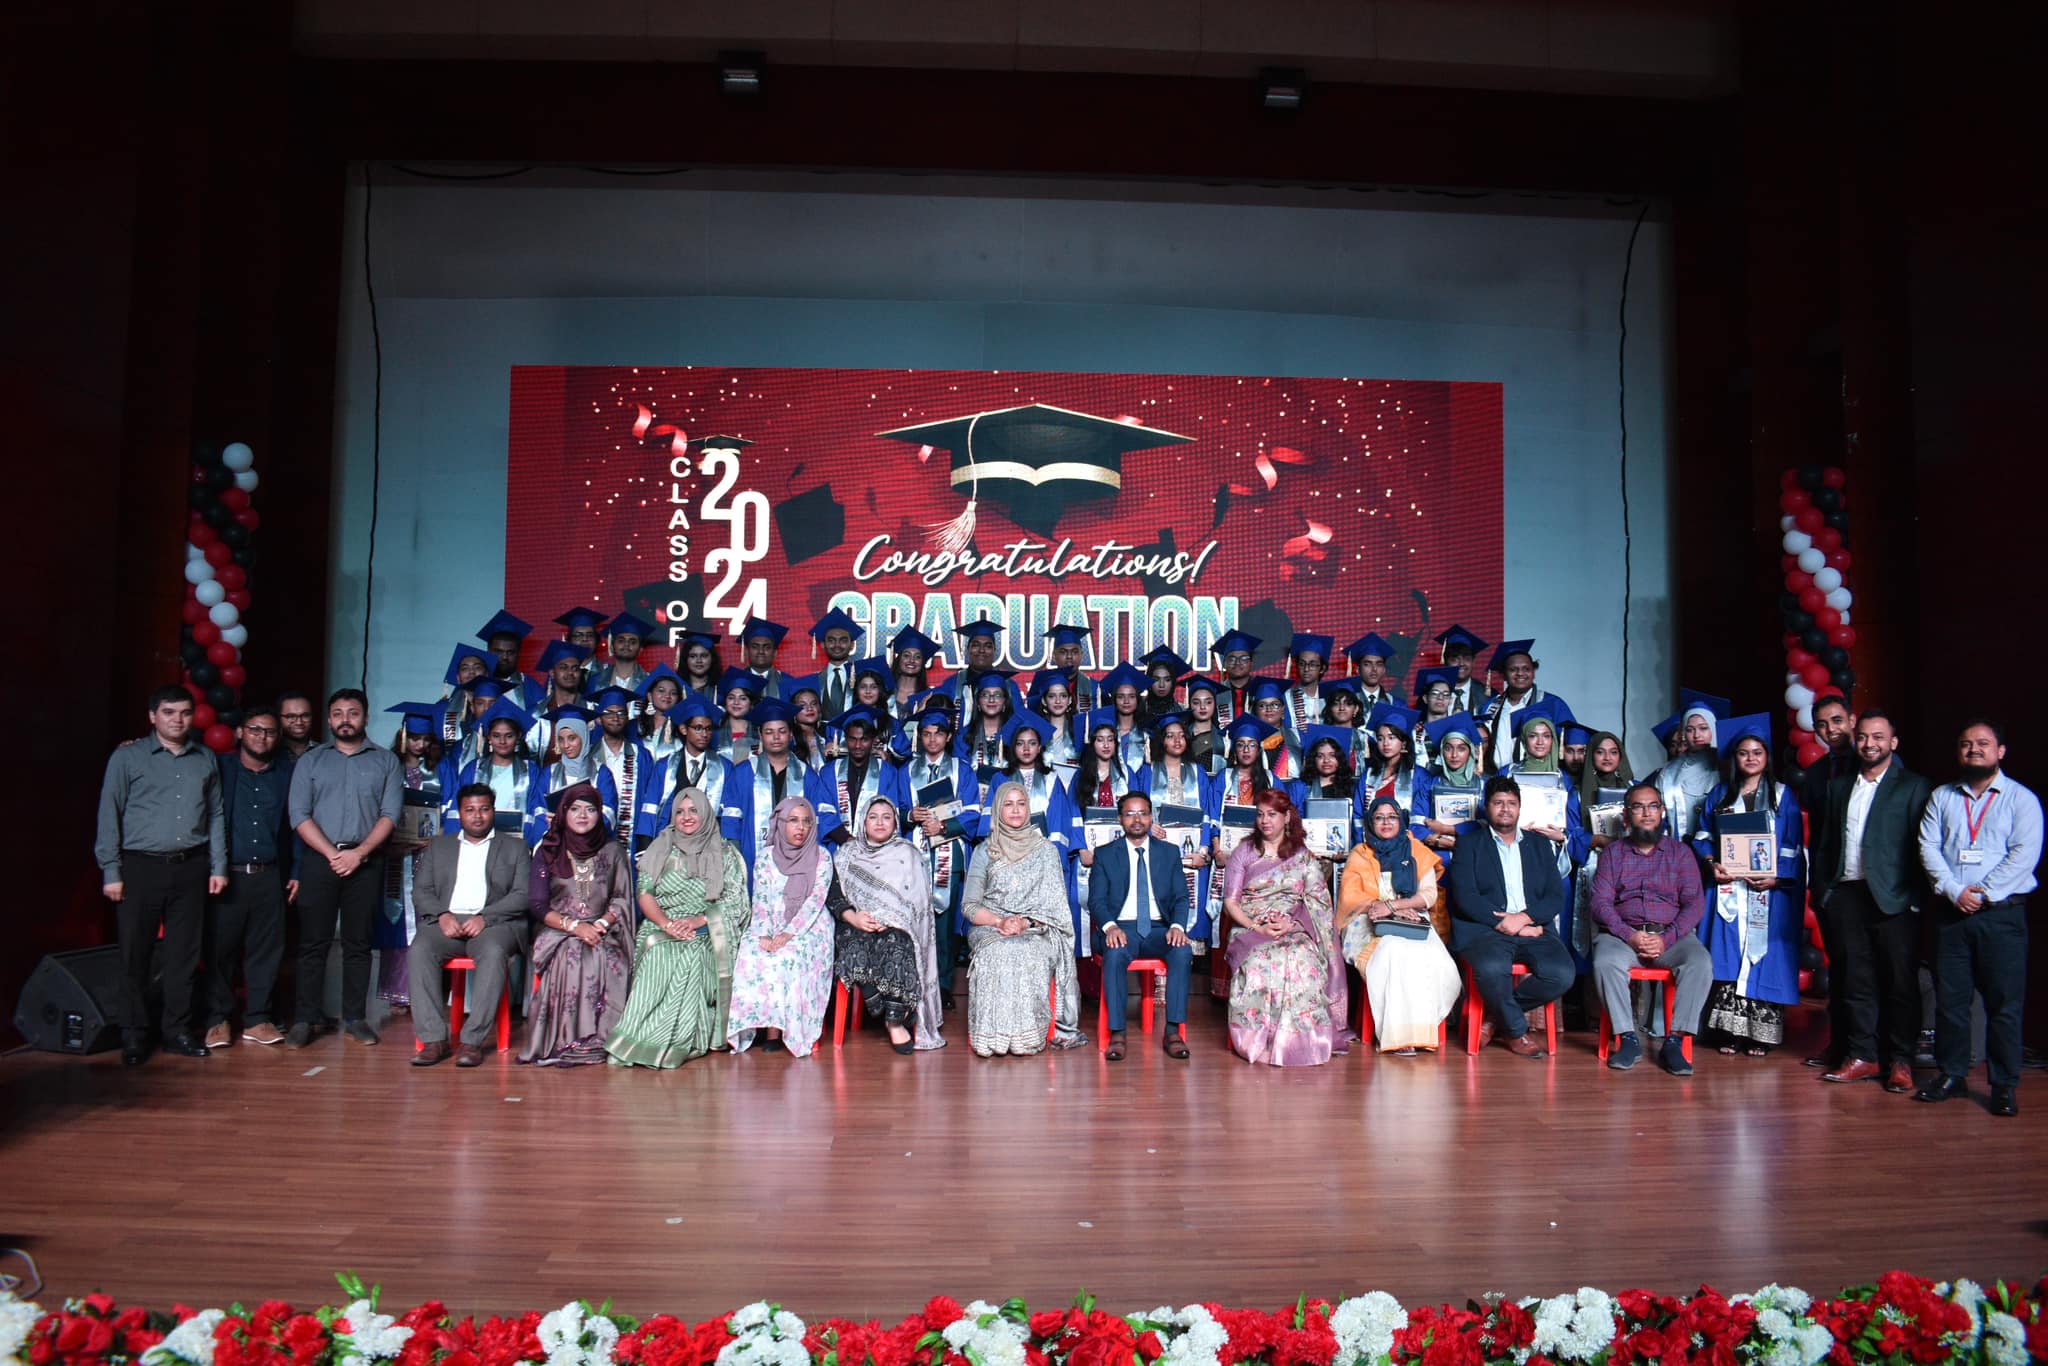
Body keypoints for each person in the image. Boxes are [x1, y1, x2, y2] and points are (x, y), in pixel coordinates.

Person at [94, 685, 228, 1064]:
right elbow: (109, 812)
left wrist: (218, 866)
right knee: (135, 954)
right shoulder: (127, 757)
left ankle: (177, 1031)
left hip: (191, 866)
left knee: (184, 955)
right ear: (153, 716)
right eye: (169, 712)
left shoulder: (205, 757)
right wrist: (111, 870)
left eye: (185, 712)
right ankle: (134, 1035)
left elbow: (216, 814)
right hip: (139, 867)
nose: (177, 720)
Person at [1915, 719, 2040, 1117]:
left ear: (2000, 751)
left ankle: (2003, 1085)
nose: (1974, 750)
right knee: (1951, 1002)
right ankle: (1952, 1074)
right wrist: (1956, 892)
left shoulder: (2021, 800)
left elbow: (2023, 855)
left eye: (1983, 743)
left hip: (2001, 917)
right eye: (1966, 744)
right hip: (1951, 914)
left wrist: (1982, 893)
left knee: (2004, 1005)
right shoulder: (1942, 797)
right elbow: (1928, 847)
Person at [1805, 708, 1935, 1088]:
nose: (1869, 744)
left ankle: (1900, 1061)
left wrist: (1914, 898)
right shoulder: (1839, 787)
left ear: (1893, 742)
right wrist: (1824, 891)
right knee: (1855, 981)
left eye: (1878, 737)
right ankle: (1863, 1055)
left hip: (1894, 899)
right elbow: (1825, 845)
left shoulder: (1914, 786)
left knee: (1900, 982)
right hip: (1846, 894)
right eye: (1862, 737)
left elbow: (1923, 847)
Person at [286, 689, 403, 1048]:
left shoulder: (386, 761)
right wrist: (331, 854)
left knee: (358, 943)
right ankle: (305, 1018)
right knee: (313, 942)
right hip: (319, 861)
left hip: (365, 863)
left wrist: (360, 853)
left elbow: (390, 814)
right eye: (337, 713)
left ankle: (355, 1018)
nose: (345, 720)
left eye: (353, 713)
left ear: (365, 718)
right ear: (329, 719)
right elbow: (298, 815)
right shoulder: (311, 761)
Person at [605, 788, 751, 1068]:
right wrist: (668, 925)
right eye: (680, 812)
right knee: (659, 953)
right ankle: (638, 1038)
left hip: (707, 928)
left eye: (693, 811)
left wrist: (699, 920)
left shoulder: (723, 852)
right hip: (662, 923)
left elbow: (736, 901)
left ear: (706, 813)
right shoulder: (660, 847)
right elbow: (644, 893)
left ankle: (677, 1040)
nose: (686, 817)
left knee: (692, 956)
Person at [1445, 776, 1576, 1058]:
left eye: (1511, 803)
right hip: (1485, 930)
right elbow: (1465, 896)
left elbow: (1555, 896)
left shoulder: (1540, 845)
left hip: (1533, 928)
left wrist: (1524, 918)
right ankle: (1516, 1032)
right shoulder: (1469, 844)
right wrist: (1506, 924)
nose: (1505, 809)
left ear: (1519, 808)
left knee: (1561, 974)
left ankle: (1493, 1020)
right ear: (1487, 807)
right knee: (1492, 969)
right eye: (1498, 803)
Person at [1588, 781, 1710, 1075]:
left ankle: (1674, 1041)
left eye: (1653, 806)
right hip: (1623, 936)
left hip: (1671, 936)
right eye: (1638, 807)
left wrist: (1666, 939)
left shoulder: (1681, 854)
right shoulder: (1613, 854)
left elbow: (1694, 904)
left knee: (1700, 962)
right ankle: (1627, 1038)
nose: (1646, 813)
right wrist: (1630, 936)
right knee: (1604, 961)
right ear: (1626, 815)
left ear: (1662, 812)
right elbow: (1600, 904)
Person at [407, 783, 532, 1067]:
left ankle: (471, 1042)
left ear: (493, 811)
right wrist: (442, 915)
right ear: (460, 813)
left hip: (494, 924)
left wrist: (486, 917)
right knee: (420, 950)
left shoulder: (515, 847)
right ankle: (433, 1040)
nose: (477, 816)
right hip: (447, 923)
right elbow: (421, 890)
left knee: (493, 953)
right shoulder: (439, 846)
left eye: (484, 809)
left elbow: (523, 894)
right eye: (470, 810)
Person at [199, 706, 300, 1049]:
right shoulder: (219, 767)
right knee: (220, 951)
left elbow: (297, 825)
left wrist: (296, 872)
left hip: (270, 875)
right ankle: (218, 1020)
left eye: (269, 732)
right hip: (226, 875)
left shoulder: (287, 774)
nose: (262, 737)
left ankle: (258, 1019)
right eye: (255, 729)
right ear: (240, 733)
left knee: (266, 951)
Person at [960, 781, 1085, 1055]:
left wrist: (1026, 922)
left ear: (1029, 808)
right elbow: (969, 906)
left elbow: (1055, 909)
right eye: (1008, 804)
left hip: (1036, 928)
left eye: (1021, 803)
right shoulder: (985, 851)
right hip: (990, 925)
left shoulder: (1046, 851)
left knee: (1026, 951)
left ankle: (1026, 1037)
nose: (1015, 810)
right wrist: (999, 922)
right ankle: (992, 1038)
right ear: (997, 809)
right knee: (997, 952)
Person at [1221, 788, 1344, 1065]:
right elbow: (1231, 903)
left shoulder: (1302, 855)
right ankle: (1259, 1041)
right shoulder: (1244, 852)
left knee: (1302, 958)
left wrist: (1293, 921)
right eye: (1260, 815)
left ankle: (1299, 1041)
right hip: (1249, 928)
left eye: (1272, 815)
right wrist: (1257, 926)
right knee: (1261, 961)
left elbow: (1318, 901)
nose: (1265, 821)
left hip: (1293, 925)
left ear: (1287, 817)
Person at [520, 780, 635, 1065]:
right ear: (563, 813)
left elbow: (621, 898)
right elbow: (537, 905)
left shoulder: (613, 851)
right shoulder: (548, 850)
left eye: (590, 809)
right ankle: (570, 1040)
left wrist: (601, 924)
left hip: (604, 928)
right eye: (575, 809)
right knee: (573, 954)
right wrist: (574, 926)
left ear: (599, 814)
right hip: (558, 929)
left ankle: (602, 1039)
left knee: (608, 957)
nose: (583, 815)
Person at [1335, 795, 1459, 1055]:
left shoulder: (1417, 851)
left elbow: (1428, 895)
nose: (1386, 823)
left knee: (1434, 960)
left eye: (1392, 817)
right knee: (1393, 952)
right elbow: (1351, 898)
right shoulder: (1360, 854)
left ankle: (1421, 1031)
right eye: (1379, 818)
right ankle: (1399, 1036)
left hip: (1412, 917)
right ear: (1370, 823)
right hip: (1368, 919)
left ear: (1401, 820)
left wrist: (1396, 907)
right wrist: (1381, 908)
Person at [1087, 790, 1197, 1061]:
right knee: (1115, 953)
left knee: (1182, 951)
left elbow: (1181, 897)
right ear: (1119, 819)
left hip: (1159, 928)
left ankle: (1173, 1031)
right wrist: (1110, 927)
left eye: (1143, 814)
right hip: (1120, 928)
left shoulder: (1169, 852)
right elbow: (1096, 900)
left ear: (1151, 817)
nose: (1137, 820)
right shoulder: (1105, 854)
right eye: (1130, 814)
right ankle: (1117, 1033)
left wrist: (1178, 927)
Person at [833, 795, 947, 1053]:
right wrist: (855, 918)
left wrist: (891, 919)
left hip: (896, 926)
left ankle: (894, 1020)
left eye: (887, 817)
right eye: (873, 817)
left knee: (897, 944)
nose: (879, 823)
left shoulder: (908, 853)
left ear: (896, 822)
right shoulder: (847, 854)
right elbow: (834, 895)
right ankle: (875, 999)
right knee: (852, 945)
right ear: (862, 823)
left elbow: (918, 902)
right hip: (856, 922)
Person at [727, 796, 836, 1055]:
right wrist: (764, 934)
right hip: (770, 920)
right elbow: (761, 899)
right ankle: (760, 1024)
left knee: (789, 955)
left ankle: (780, 1030)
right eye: (793, 820)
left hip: (810, 924)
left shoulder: (822, 856)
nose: (801, 828)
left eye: (806, 821)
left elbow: (815, 900)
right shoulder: (766, 857)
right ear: (780, 823)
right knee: (751, 952)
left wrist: (788, 933)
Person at [900, 705, 980, 1003]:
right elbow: (893, 808)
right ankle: (917, 982)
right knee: (916, 919)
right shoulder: (907, 771)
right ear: (919, 737)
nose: (932, 739)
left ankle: (943, 985)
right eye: (926, 734)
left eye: (938, 734)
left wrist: (943, 826)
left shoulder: (962, 770)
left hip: (950, 853)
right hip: (914, 852)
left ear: (948, 737)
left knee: (945, 924)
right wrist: (910, 815)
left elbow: (973, 812)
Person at [720, 698, 836, 879]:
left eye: (782, 731)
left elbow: (817, 823)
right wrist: (737, 861)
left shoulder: (807, 775)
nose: (776, 737)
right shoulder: (743, 773)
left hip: (798, 863)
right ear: (760, 735)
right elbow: (731, 821)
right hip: (751, 860)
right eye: (769, 732)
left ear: (790, 734)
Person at [1475, 640, 1575, 770]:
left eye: (1526, 669)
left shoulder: (1551, 704)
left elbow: (1571, 743)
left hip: (1536, 775)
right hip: (1495, 776)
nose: (1520, 673)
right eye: (1513, 669)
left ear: (1534, 673)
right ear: (1503, 675)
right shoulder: (1490, 707)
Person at [817, 706, 909, 843]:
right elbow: (824, 811)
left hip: (877, 848)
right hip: (838, 846)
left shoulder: (888, 773)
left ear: (873, 740)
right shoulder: (828, 772)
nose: (858, 745)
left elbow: (891, 813)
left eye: (864, 739)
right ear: (845, 739)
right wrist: (847, 840)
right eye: (852, 739)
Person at [1650, 697, 1726, 843]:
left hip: (1717, 848)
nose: (1696, 735)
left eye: (1703, 728)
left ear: (1713, 728)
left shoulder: (1727, 767)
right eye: (1690, 730)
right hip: (1677, 846)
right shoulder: (1669, 772)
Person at [587, 687, 655, 846]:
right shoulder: (588, 756)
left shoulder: (641, 756)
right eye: (609, 713)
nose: (615, 718)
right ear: (599, 719)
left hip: (631, 836)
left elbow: (648, 799)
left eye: (621, 713)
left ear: (627, 718)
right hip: (596, 836)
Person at [1420, 714, 1484, 857]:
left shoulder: (1483, 786)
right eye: (1448, 748)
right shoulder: (1429, 785)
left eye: (1461, 749)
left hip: (1474, 854)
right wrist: (1433, 839)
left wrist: (1446, 829)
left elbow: (1487, 824)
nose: (1454, 755)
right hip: (1437, 855)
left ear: (1470, 752)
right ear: (1442, 751)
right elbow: (1416, 822)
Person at [810, 607, 865, 718]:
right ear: (823, 645)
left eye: (843, 640)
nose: (837, 645)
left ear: (852, 645)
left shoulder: (863, 678)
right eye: (831, 640)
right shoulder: (813, 681)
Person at [1282, 632, 1335, 730]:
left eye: (1312, 664)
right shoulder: (1287, 697)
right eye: (1302, 664)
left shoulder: (1330, 697)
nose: (1306, 669)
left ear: (1322, 668)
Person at [1432, 624, 1489, 714]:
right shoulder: (1431, 695)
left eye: (1467, 659)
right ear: (1446, 662)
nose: (1461, 663)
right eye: (1455, 659)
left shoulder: (1486, 695)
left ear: (1473, 662)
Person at [1210, 628, 1262, 722]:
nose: (1237, 663)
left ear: (1251, 663)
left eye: (1243, 658)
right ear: (1224, 664)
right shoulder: (1214, 695)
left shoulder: (1261, 692)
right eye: (1232, 659)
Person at [1342, 632, 1398, 713]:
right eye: (1367, 664)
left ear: (1384, 670)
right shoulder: (1346, 703)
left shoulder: (1395, 704)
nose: (1374, 669)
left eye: (1379, 664)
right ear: (1357, 669)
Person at [476, 609, 534, 686]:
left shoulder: (530, 686)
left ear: (518, 653)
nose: (505, 657)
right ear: (488, 651)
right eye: (499, 652)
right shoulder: (476, 683)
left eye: (510, 652)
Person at [277, 691, 318, 760]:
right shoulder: (269, 751)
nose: (299, 722)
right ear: (278, 718)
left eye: (305, 716)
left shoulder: (324, 752)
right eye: (291, 716)